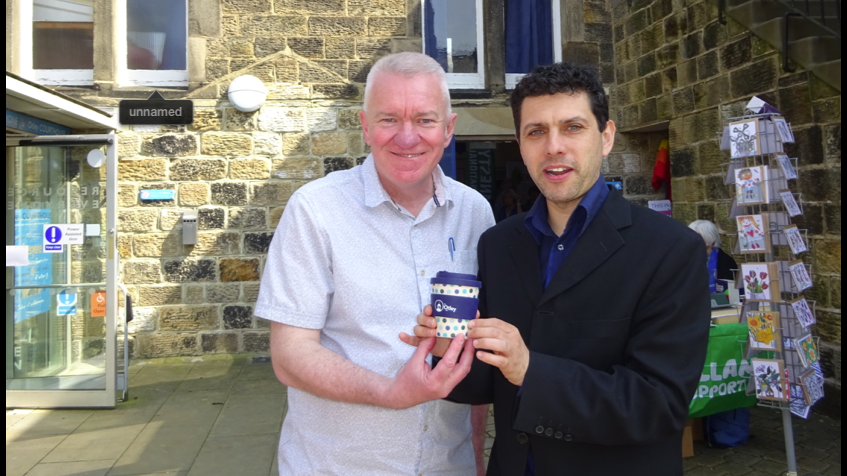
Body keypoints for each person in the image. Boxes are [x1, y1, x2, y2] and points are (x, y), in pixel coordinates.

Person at [407, 63, 711, 475]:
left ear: (605, 137)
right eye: (536, 132)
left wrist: (530, 369)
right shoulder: (499, 244)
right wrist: (448, 351)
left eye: (572, 127)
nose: (553, 147)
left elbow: (657, 405)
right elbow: (489, 383)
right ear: (520, 143)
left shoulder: (670, 249)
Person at [255, 52, 495, 475]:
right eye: (388, 120)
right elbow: (290, 356)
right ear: (366, 127)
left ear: (448, 129)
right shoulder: (315, 210)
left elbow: (472, 346)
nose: (407, 138)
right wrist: (391, 392)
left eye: (424, 119)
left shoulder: (474, 212)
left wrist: (475, 452)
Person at [689, 220, 738, 291]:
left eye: (697, 236)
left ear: (709, 237)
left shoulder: (725, 261)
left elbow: (727, 289)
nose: (692, 239)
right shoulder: (687, 258)